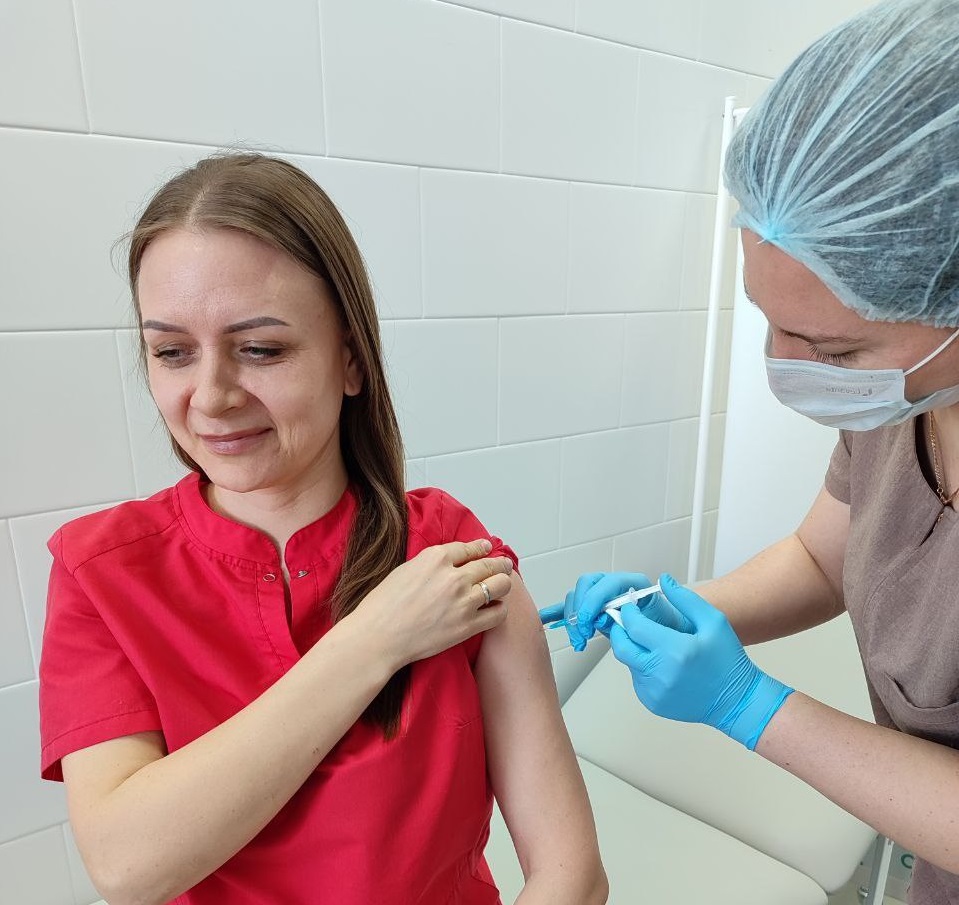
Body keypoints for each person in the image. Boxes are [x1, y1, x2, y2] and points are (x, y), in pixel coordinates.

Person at [39, 153, 606, 905]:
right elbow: (127, 866)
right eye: (172, 352)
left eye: (260, 349)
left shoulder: (450, 557)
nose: (210, 396)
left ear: (351, 360)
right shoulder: (101, 574)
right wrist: (374, 641)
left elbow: (571, 875)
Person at [543, 1, 959, 902]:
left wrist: (749, 705)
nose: (785, 368)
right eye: (769, 323)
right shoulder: (906, 403)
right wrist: (681, 607)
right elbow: (822, 556)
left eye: (834, 351)